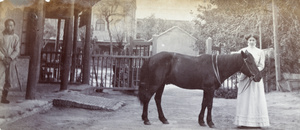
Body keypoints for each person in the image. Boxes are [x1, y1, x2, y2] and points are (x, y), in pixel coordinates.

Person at [234, 34, 270, 128]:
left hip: (255, 78)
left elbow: (261, 65)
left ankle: (257, 122)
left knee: (255, 98)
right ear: (247, 41)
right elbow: (238, 64)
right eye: (250, 40)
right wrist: (246, 74)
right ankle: (243, 122)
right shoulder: (242, 51)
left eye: (253, 40)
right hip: (244, 78)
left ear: (256, 41)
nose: (251, 42)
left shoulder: (260, 52)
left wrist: (253, 73)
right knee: (244, 99)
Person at [0, 19, 20, 104]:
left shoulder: (16, 37)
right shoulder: (1, 36)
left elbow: (16, 50)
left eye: (11, 25)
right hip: (1, 60)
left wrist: (10, 58)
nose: (9, 27)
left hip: (11, 61)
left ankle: (4, 97)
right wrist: (3, 57)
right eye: (8, 25)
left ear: (14, 26)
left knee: (9, 80)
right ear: (5, 26)